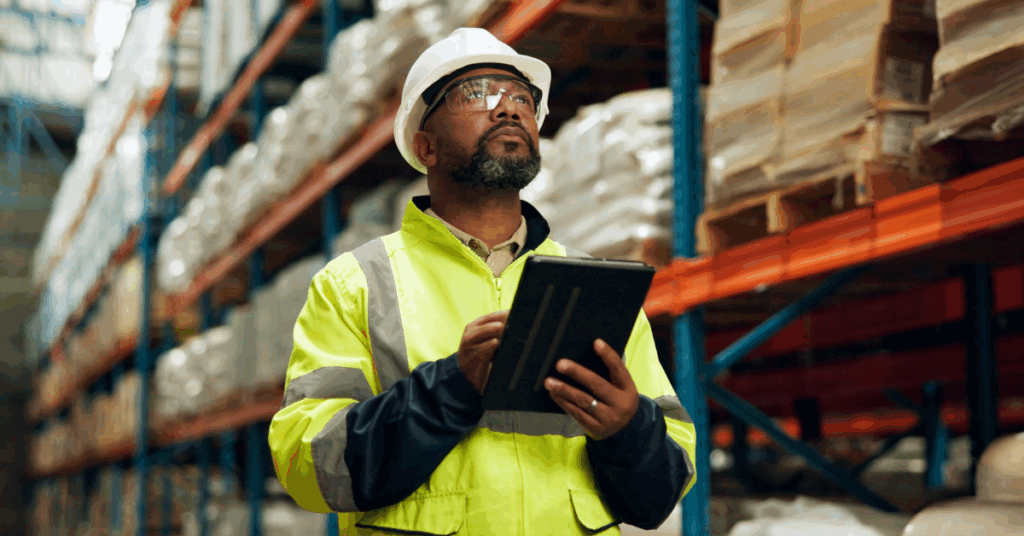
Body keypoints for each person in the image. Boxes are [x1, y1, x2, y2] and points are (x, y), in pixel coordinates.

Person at [268, 27, 698, 535]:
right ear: (425, 146)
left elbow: (662, 492)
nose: (509, 108)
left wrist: (628, 431)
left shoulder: (594, 286)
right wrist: (449, 388)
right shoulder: (357, 284)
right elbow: (310, 468)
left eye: (523, 98)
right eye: (479, 95)